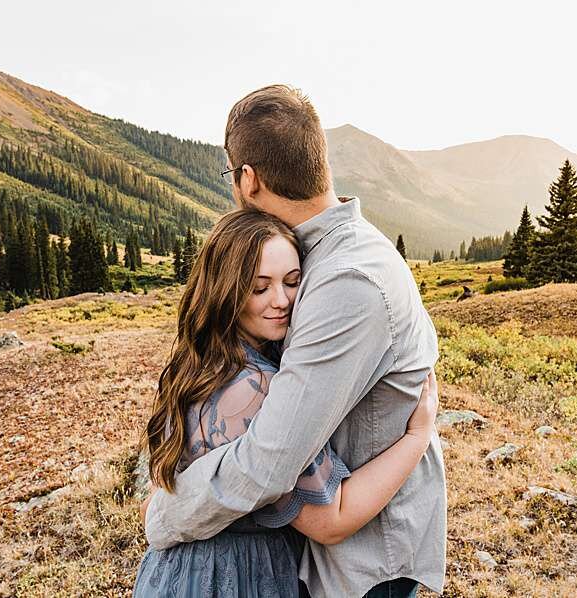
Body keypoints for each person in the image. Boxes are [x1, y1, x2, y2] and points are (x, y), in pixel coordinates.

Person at [142, 85, 447, 597]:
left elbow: (270, 462)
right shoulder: (324, 257)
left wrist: (170, 509)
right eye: (259, 287)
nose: (279, 298)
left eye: (288, 283)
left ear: (247, 179)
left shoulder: (346, 280)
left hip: (363, 564)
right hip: (314, 552)